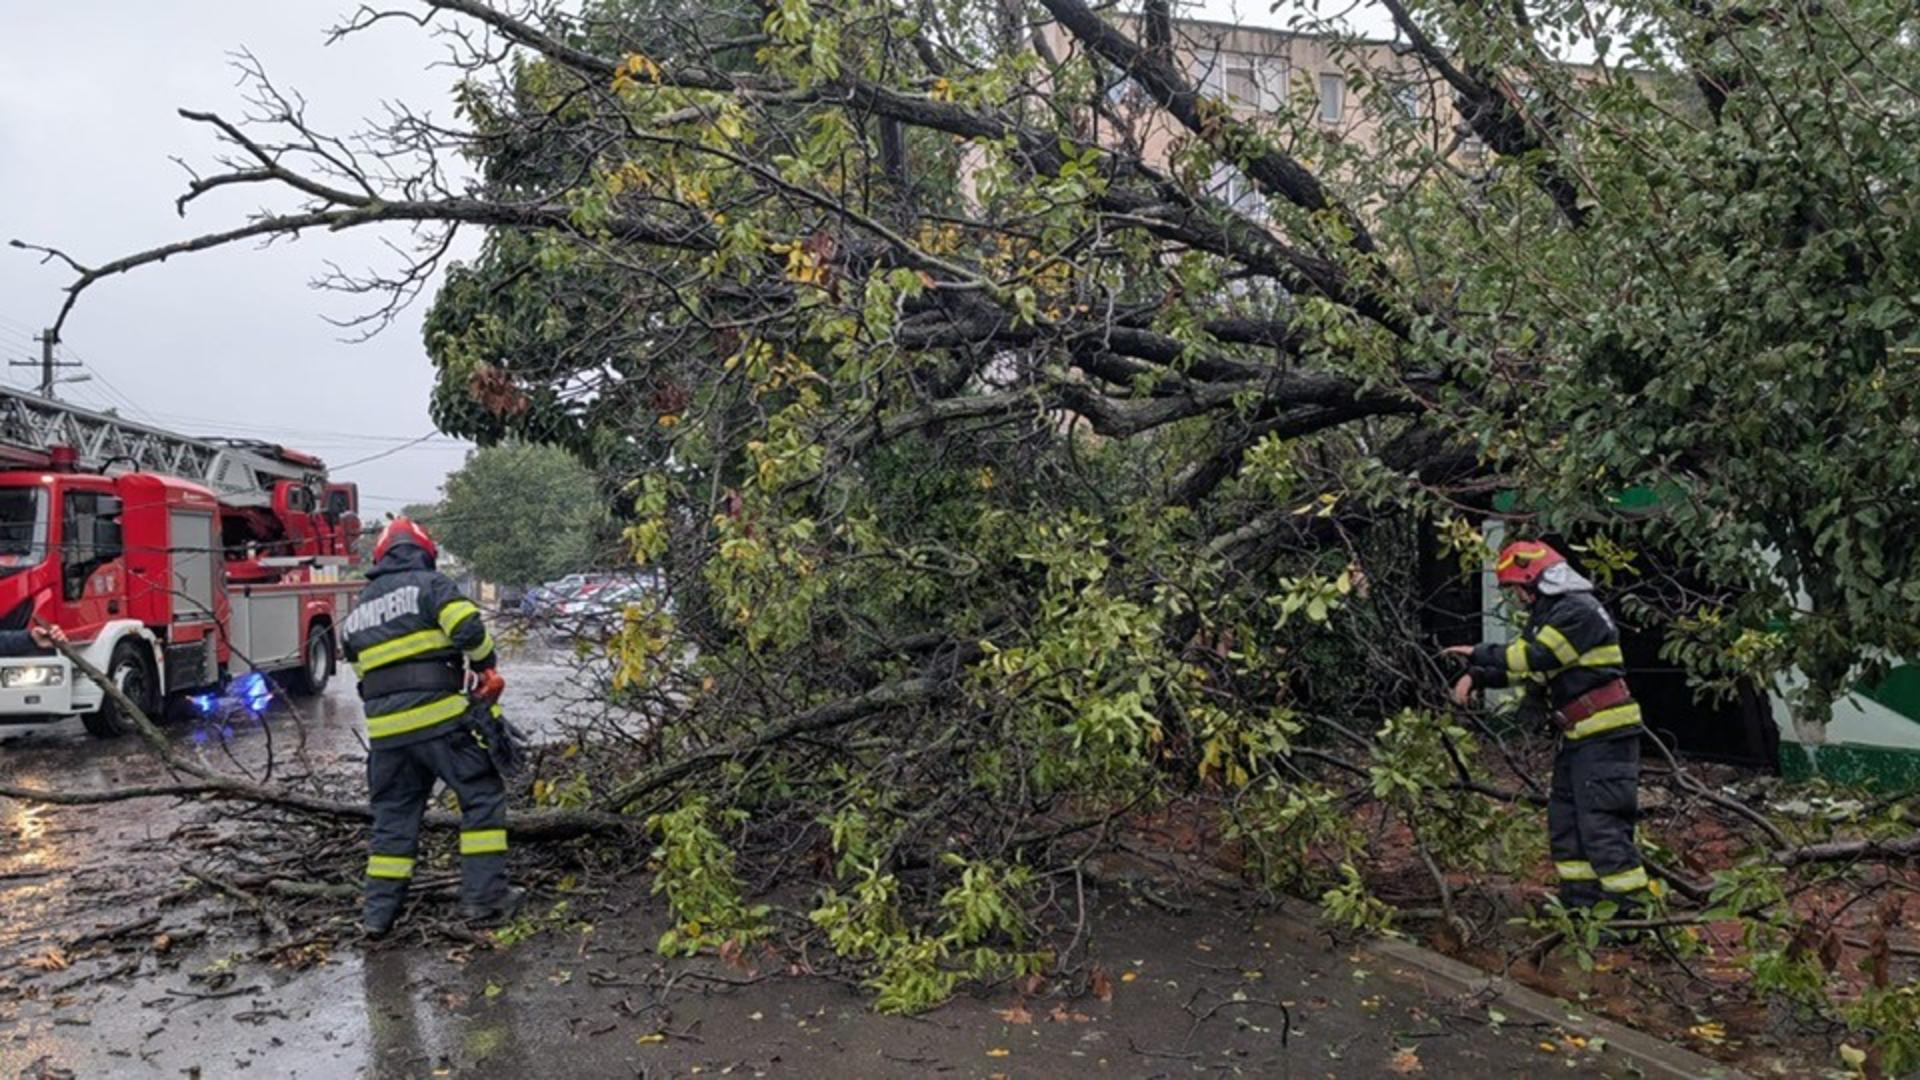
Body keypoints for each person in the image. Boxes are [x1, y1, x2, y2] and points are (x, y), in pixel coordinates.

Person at [1445, 540, 1658, 913]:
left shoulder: (1578, 611)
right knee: (1567, 823)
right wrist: (1477, 678)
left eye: (1515, 589)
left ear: (1533, 578)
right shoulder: (1553, 613)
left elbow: (1535, 655)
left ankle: (1632, 917)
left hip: (1604, 735)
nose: (1517, 599)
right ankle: (1580, 909)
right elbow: (1534, 670)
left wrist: (1478, 653)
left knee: (1601, 826)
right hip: (1579, 736)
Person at [342, 516, 519, 937]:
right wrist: (484, 666)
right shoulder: (431, 585)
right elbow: (469, 629)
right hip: (440, 720)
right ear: (426, 553)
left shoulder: (358, 609)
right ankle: (486, 901)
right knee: (481, 796)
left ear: (381, 557)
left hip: (387, 736)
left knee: (393, 821)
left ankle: (377, 917)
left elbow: (362, 675)